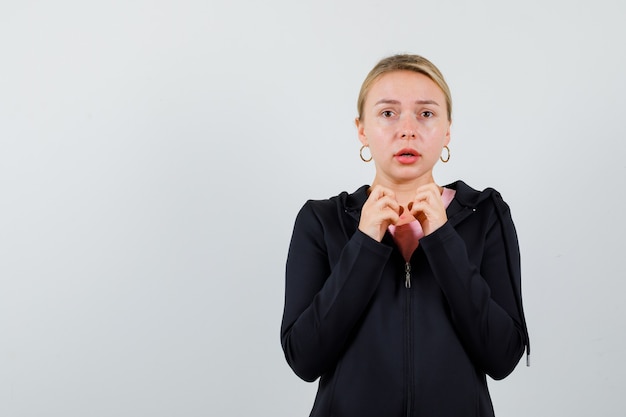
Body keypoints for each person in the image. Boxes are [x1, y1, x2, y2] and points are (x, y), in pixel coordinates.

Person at [280, 54, 529, 417]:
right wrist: (364, 243)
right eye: (388, 113)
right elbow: (304, 359)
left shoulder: (486, 215)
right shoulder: (321, 220)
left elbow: (503, 356)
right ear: (362, 129)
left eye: (426, 113)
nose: (407, 129)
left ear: (447, 130)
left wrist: (442, 239)